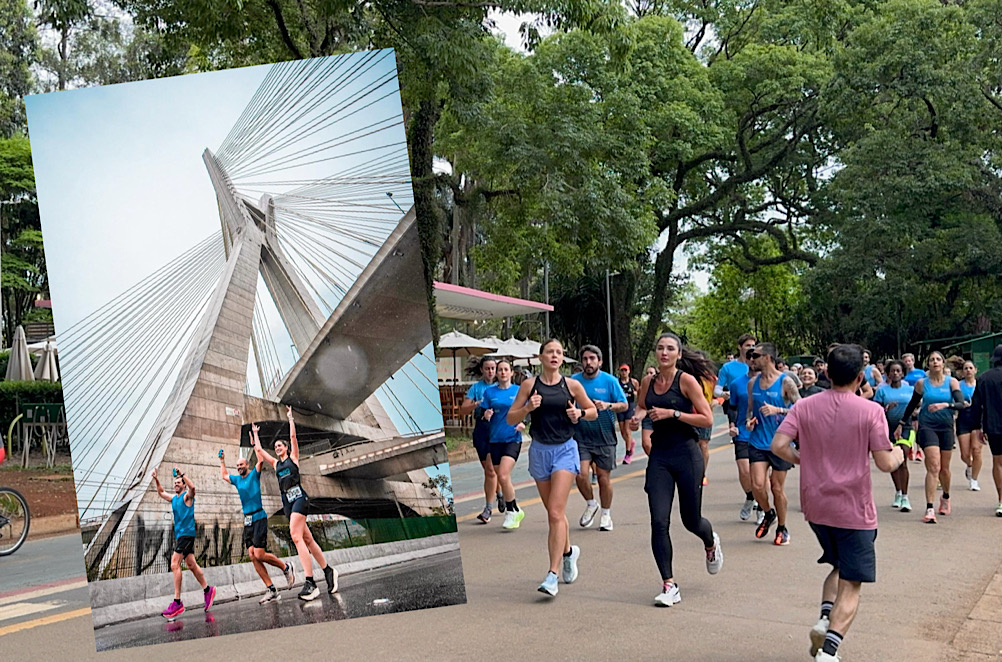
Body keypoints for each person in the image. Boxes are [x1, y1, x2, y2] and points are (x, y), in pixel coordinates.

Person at [770, 344, 905, 662]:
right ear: (860, 377)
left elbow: (778, 445)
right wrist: (900, 451)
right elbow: (885, 463)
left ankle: (824, 618)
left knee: (839, 565)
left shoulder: (804, 407)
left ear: (827, 373)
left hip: (816, 507)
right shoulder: (870, 411)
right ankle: (829, 650)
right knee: (853, 581)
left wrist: (804, 459)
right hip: (854, 509)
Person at [630, 332, 722, 607]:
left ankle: (710, 542)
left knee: (691, 520)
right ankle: (669, 584)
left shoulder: (686, 381)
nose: (664, 352)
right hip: (660, 456)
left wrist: (674, 414)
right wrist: (637, 419)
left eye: (670, 348)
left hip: (687, 455)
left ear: (678, 354)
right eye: (660, 348)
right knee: (659, 521)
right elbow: (642, 407)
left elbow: (707, 418)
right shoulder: (648, 382)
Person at [506, 339, 597, 597]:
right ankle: (568, 552)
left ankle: (552, 575)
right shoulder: (529, 385)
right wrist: (527, 407)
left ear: (562, 358)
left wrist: (580, 414)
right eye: (550, 352)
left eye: (559, 352)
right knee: (554, 514)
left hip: (565, 450)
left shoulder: (572, 385)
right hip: (539, 451)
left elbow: (592, 410)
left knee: (556, 513)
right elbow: (511, 418)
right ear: (541, 357)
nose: (555, 356)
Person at [255, 406, 338, 600]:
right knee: (308, 540)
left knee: (295, 535)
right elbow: (259, 450)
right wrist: (256, 435)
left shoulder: (293, 458)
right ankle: (328, 571)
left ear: (286, 448)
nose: (277, 448)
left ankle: (310, 583)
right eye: (276, 447)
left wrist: (290, 418)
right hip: (288, 504)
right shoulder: (276, 464)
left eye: (280, 445)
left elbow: (293, 438)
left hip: (300, 499)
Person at [219, 430, 296, 603]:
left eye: (241, 465)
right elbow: (224, 475)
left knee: (260, 554)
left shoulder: (254, 474)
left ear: (247, 465)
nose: (239, 467)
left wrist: (254, 442)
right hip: (247, 520)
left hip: (259, 517)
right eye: (237, 466)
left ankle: (286, 567)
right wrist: (222, 460)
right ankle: (271, 589)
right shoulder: (237, 480)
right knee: (253, 555)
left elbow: (260, 459)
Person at [900, 351, 968, 523]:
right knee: (934, 466)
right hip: (927, 426)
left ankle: (945, 496)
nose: (935, 362)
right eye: (932, 360)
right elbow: (912, 404)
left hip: (946, 427)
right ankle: (929, 508)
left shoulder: (951, 382)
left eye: (938, 359)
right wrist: (901, 422)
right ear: (928, 364)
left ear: (943, 363)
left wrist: (946, 405)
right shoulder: (922, 383)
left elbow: (961, 404)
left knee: (944, 468)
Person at [746, 342, 801, 545]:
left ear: (767, 358)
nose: (752, 359)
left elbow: (801, 409)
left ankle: (782, 527)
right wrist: (749, 421)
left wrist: (779, 410)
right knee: (757, 485)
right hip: (758, 441)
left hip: (780, 443)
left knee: (776, 488)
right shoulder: (753, 383)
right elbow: (750, 410)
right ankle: (769, 513)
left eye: (755, 356)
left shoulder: (786, 382)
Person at [570, 346, 628, 531]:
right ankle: (591, 503)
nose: (588, 362)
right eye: (585, 359)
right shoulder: (573, 381)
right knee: (580, 474)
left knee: (603, 478)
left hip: (604, 436)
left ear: (600, 362)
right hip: (580, 437)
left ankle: (606, 514)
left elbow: (624, 405)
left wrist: (608, 405)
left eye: (592, 358)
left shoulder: (610, 381)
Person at [153, 467, 216, 620]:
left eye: (179, 482)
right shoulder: (174, 499)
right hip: (181, 536)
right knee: (191, 564)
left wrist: (183, 474)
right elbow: (161, 492)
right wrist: (156, 479)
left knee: (174, 564)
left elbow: (193, 488)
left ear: (183, 485)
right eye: (175, 483)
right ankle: (208, 590)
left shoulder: (187, 497)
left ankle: (177, 603)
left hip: (187, 535)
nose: (176, 484)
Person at [481, 360, 527, 529]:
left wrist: (524, 423)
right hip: (495, 439)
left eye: (506, 369)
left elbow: (529, 409)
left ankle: (510, 512)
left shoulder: (518, 391)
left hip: (512, 438)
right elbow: (482, 413)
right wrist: (485, 415)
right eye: (500, 370)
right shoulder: (489, 392)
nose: (502, 372)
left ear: (511, 373)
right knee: (502, 477)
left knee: (502, 475)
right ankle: (516, 508)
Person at [459, 357, 502, 523]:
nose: (490, 371)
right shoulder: (476, 388)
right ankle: (499, 493)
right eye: (487, 368)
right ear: (482, 370)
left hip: (497, 431)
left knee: (491, 470)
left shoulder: (502, 386)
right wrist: (476, 405)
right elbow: (463, 410)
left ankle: (488, 508)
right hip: (481, 431)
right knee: (489, 470)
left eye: (493, 368)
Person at [871, 360, 915, 512]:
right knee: (893, 462)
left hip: (906, 427)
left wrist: (914, 412)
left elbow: (917, 406)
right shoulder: (882, 391)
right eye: (892, 371)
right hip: (888, 429)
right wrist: (886, 408)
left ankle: (905, 497)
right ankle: (898, 492)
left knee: (903, 460)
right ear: (888, 374)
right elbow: (876, 410)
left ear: (903, 373)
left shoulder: (910, 389)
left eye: (898, 371)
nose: (895, 373)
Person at [970, 344, 1002, 516]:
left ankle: (1001, 500)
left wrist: (977, 427)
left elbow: (976, 405)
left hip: (993, 425)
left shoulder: (984, 378)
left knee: (998, 462)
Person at [727, 347, 759, 521]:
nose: (753, 360)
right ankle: (750, 496)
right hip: (743, 432)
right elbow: (732, 407)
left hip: (765, 433)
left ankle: (762, 508)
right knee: (745, 471)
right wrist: (732, 424)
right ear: (745, 360)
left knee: (761, 475)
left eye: (756, 357)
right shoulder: (737, 383)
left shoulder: (772, 382)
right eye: (750, 357)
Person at [956, 360, 982, 491]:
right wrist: (959, 403)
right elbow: (953, 398)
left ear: (975, 370)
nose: (968, 370)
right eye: (966, 368)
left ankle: (974, 480)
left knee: (976, 450)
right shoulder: (958, 385)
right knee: (965, 454)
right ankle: (970, 465)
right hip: (963, 418)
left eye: (971, 368)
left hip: (977, 419)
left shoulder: (980, 384)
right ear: (962, 371)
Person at [617, 364, 640, 464]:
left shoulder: (633, 382)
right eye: (622, 370)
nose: (624, 372)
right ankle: (631, 442)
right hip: (621, 406)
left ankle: (628, 454)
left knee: (627, 430)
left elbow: (639, 393)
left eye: (625, 370)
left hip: (630, 406)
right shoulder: (617, 382)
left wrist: (636, 400)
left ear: (629, 371)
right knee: (622, 432)